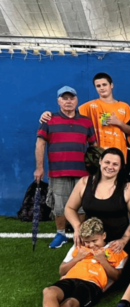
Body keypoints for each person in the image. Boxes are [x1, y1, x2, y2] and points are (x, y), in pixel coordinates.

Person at [24, 218, 128, 307]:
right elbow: (62, 271)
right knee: (49, 291)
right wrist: (77, 258)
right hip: (69, 279)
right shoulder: (78, 248)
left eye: (94, 241)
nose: (90, 245)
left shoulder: (115, 250)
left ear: (103, 236)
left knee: (70, 303)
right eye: (86, 242)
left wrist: (102, 260)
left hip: (91, 284)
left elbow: (116, 277)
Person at [40, 73, 130, 178]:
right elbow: (69, 114)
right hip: (97, 158)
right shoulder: (87, 107)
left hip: (121, 155)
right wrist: (47, 114)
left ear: (111, 85)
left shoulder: (124, 107)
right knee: (98, 187)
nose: (102, 88)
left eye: (104, 84)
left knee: (122, 186)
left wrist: (119, 123)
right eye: (98, 86)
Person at [34, 86, 97, 249]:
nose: (68, 101)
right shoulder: (48, 120)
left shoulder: (86, 121)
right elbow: (40, 144)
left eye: (71, 98)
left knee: (82, 205)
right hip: (58, 171)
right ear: (58, 101)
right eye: (64, 98)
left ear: (77, 100)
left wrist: (95, 168)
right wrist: (39, 168)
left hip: (82, 172)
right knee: (59, 205)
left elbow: (94, 146)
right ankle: (61, 234)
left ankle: (81, 234)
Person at [65, 148, 130, 267]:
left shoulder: (129, 188)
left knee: (107, 275)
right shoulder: (84, 183)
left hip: (116, 244)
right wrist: (77, 227)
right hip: (90, 242)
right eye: (107, 162)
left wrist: (123, 240)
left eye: (115, 164)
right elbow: (69, 208)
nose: (110, 167)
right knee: (73, 272)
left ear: (121, 167)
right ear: (100, 161)